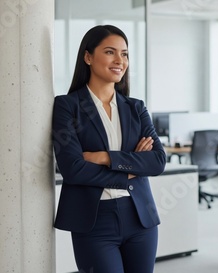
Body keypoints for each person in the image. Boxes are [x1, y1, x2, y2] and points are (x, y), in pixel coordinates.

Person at [52, 25, 166, 273]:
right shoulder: (67, 106)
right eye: (110, 52)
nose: (120, 61)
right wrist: (130, 168)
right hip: (94, 221)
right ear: (88, 56)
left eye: (125, 54)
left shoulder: (136, 108)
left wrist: (104, 157)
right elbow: (73, 169)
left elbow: (157, 161)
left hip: (140, 219)